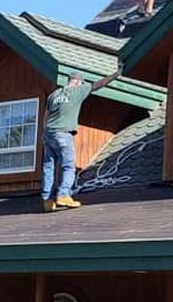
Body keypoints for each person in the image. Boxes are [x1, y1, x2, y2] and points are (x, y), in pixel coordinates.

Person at [41, 64, 122, 211]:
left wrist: (45, 133)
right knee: (68, 166)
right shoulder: (78, 90)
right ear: (78, 82)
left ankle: (47, 200)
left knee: (49, 166)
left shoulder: (54, 94)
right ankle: (64, 195)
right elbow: (99, 84)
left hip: (48, 134)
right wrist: (116, 74)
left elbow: (45, 116)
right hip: (63, 133)